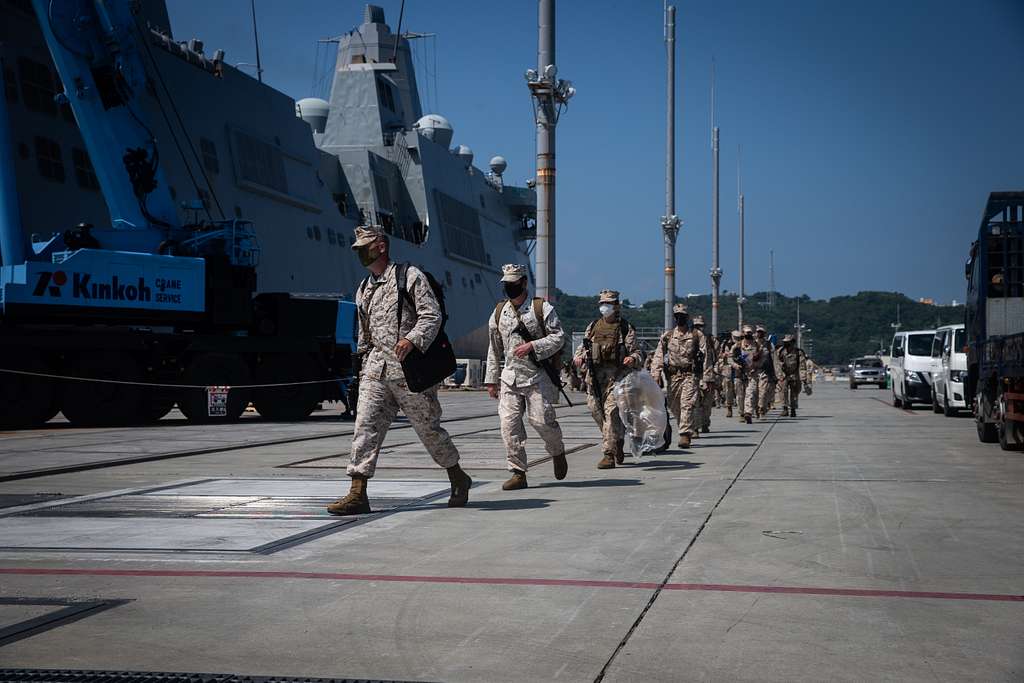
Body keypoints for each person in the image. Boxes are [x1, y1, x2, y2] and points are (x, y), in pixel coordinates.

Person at [327, 225, 471, 515]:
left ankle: (458, 476)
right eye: (356, 249)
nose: (359, 252)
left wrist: (412, 339)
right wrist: (361, 364)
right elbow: (364, 333)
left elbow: (432, 315)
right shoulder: (364, 288)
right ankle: (357, 492)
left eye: (364, 246)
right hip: (376, 371)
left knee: (429, 429)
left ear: (381, 245)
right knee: (365, 427)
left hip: (410, 372)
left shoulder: (409, 276)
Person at [485, 264, 568, 490]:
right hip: (510, 377)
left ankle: (557, 451)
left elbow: (559, 337)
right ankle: (518, 472)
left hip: (536, 376)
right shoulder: (499, 312)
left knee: (541, 421)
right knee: (508, 425)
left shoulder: (541, 308)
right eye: (506, 284)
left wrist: (533, 345)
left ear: (523, 283)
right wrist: (491, 380)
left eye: (513, 283)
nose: (509, 287)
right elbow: (494, 348)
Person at [573, 289, 643, 468]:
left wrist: (632, 358)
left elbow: (637, 352)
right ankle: (617, 440)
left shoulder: (625, 328)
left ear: (616, 306)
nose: (605, 307)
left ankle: (608, 454)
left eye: (609, 304)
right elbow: (584, 346)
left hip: (616, 378)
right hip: (595, 378)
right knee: (598, 413)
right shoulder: (593, 326)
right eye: (602, 304)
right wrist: (578, 357)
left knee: (611, 414)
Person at [651, 304, 712, 449]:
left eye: (682, 316)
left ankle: (685, 434)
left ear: (687, 317)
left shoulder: (697, 335)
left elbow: (706, 357)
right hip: (673, 377)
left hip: (690, 375)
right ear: (674, 318)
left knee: (687, 404)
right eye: (677, 316)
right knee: (674, 406)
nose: (680, 318)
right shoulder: (668, 336)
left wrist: (707, 377)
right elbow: (658, 355)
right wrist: (656, 374)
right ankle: (685, 426)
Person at [734, 324, 763, 424]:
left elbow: (763, 358)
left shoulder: (757, 345)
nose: (749, 335)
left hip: (752, 373)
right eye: (747, 333)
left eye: (750, 333)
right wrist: (736, 365)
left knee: (750, 393)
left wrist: (756, 366)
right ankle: (742, 413)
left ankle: (748, 413)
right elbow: (730, 358)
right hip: (739, 373)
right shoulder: (737, 345)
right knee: (740, 395)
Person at [691, 315, 715, 434]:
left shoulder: (710, 340)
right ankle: (695, 427)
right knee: (694, 402)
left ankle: (705, 423)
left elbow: (714, 357)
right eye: (696, 326)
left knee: (707, 403)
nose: (699, 328)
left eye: (701, 326)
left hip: (708, 375)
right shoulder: (689, 339)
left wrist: (710, 377)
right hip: (693, 375)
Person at [776, 335, 808, 416]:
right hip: (784, 375)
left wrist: (803, 378)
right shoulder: (780, 351)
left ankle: (793, 409)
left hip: (795, 374)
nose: (786, 344)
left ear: (792, 342)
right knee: (783, 391)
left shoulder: (798, 352)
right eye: (785, 342)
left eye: (788, 342)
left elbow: (802, 366)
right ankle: (785, 408)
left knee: (794, 392)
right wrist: (778, 375)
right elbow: (777, 364)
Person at [755, 325, 775, 418]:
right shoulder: (752, 343)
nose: (759, 334)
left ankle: (761, 409)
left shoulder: (768, 344)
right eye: (758, 332)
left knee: (763, 392)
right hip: (753, 371)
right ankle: (755, 409)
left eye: (761, 332)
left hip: (765, 371)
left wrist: (774, 373)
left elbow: (773, 358)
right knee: (753, 392)